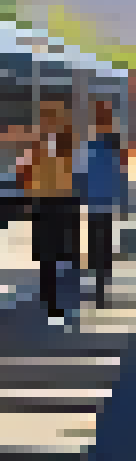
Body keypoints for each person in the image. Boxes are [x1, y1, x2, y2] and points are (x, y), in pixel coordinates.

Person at [22, 100, 83, 327]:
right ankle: (54, 304)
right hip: (54, 201)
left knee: (57, 254)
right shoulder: (56, 145)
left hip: (55, 201)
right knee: (54, 255)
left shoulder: (52, 145)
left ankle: (57, 302)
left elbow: (27, 172)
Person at [78, 99, 133, 310]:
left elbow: (117, 175)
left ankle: (100, 288)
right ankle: (100, 288)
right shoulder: (103, 144)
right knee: (100, 247)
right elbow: (119, 175)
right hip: (101, 204)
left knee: (99, 246)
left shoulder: (98, 145)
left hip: (100, 204)